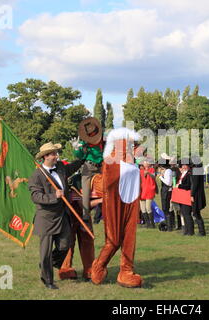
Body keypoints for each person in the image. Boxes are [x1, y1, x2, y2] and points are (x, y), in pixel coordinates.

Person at [91, 127, 144, 288]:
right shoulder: (111, 160)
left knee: (129, 239)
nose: (132, 145)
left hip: (131, 202)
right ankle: (99, 266)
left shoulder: (132, 159)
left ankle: (126, 271)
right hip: (115, 202)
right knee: (113, 240)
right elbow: (108, 182)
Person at [28, 142, 84, 289]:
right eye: (53, 154)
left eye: (56, 153)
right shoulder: (37, 175)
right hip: (46, 218)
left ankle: (49, 263)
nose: (56, 156)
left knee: (66, 244)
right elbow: (36, 197)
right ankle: (48, 280)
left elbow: (72, 167)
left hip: (62, 215)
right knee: (45, 252)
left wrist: (84, 157)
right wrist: (55, 196)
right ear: (45, 157)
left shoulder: (60, 168)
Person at [72, 117, 104, 222]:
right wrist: (76, 149)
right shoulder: (85, 144)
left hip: (101, 167)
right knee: (86, 191)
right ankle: (85, 215)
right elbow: (80, 156)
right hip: (88, 168)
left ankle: (101, 214)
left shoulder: (102, 142)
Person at [176, 158, 195, 235]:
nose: (184, 167)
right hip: (181, 195)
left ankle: (190, 231)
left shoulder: (189, 174)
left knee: (187, 214)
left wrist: (179, 186)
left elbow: (188, 186)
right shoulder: (183, 173)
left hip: (186, 195)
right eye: (183, 165)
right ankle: (186, 230)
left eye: (185, 165)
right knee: (184, 214)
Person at [191, 156, 207, 236]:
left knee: (196, 212)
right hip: (198, 193)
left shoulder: (196, 170)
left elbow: (195, 184)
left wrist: (192, 194)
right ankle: (201, 230)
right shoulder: (199, 169)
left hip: (196, 194)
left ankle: (202, 231)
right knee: (196, 212)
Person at [158, 155, 174, 231]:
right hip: (165, 190)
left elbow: (168, 183)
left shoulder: (168, 171)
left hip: (166, 191)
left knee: (166, 209)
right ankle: (169, 225)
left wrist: (161, 177)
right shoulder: (167, 170)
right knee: (165, 209)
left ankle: (169, 226)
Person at [139, 158, 157, 228]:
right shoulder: (140, 171)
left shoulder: (151, 170)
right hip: (142, 191)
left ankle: (152, 224)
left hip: (149, 191)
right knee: (143, 208)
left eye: (146, 161)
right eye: (144, 162)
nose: (145, 163)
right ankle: (147, 224)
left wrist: (148, 173)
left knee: (148, 208)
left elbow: (154, 177)